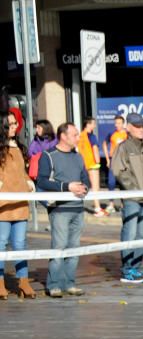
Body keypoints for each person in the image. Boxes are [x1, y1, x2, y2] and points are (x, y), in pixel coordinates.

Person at [36, 122, 90, 297]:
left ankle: (69, 283)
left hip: (78, 208)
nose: (78, 137)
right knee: (59, 248)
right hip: (59, 210)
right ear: (63, 136)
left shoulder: (78, 157)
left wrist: (84, 188)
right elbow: (42, 181)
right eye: (74, 134)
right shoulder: (48, 156)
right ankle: (54, 285)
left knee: (74, 249)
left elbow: (85, 179)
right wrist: (67, 187)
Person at [111, 113, 143, 284]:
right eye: (137, 126)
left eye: (142, 126)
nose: (141, 129)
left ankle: (136, 267)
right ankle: (127, 268)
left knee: (142, 234)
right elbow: (118, 171)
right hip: (131, 197)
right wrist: (133, 188)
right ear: (128, 127)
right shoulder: (124, 147)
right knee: (129, 232)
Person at [0, 109, 36, 299]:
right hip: (3, 206)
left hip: (20, 203)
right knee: (1, 245)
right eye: (10, 125)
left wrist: (28, 182)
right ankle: (0, 284)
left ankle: (23, 282)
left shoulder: (18, 147)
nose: (14, 127)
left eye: (15, 124)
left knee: (20, 244)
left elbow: (21, 172)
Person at [77, 117, 105, 216]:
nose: (94, 125)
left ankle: (97, 207)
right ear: (88, 124)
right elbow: (95, 149)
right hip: (93, 163)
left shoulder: (80, 136)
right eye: (93, 123)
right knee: (95, 187)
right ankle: (97, 208)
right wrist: (98, 161)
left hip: (85, 163)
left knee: (92, 186)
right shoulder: (92, 136)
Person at [102, 115, 128, 196]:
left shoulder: (127, 134)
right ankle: (111, 204)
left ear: (123, 124)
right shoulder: (112, 133)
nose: (117, 125)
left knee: (123, 183)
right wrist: (107, 159)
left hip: (123, 161)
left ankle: (124, 204)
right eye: (116, 123)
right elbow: (104, 144)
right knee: (111, 182)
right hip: (113, 160)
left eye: (119, 123)